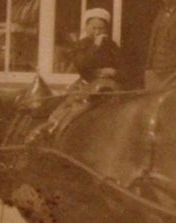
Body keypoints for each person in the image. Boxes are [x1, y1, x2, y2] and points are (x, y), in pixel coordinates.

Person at [40, 8, 122, 138]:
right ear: (86, 27)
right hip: (88, 84)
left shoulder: (111, 45)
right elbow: (81, 65)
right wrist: (95, 45)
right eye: (93, 28)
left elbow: (123, 66)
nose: (97, 32)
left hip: (109, 85)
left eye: (101, 28)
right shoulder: (81, 45)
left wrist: (113, 72)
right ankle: (53, 131)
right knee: (73, 110)